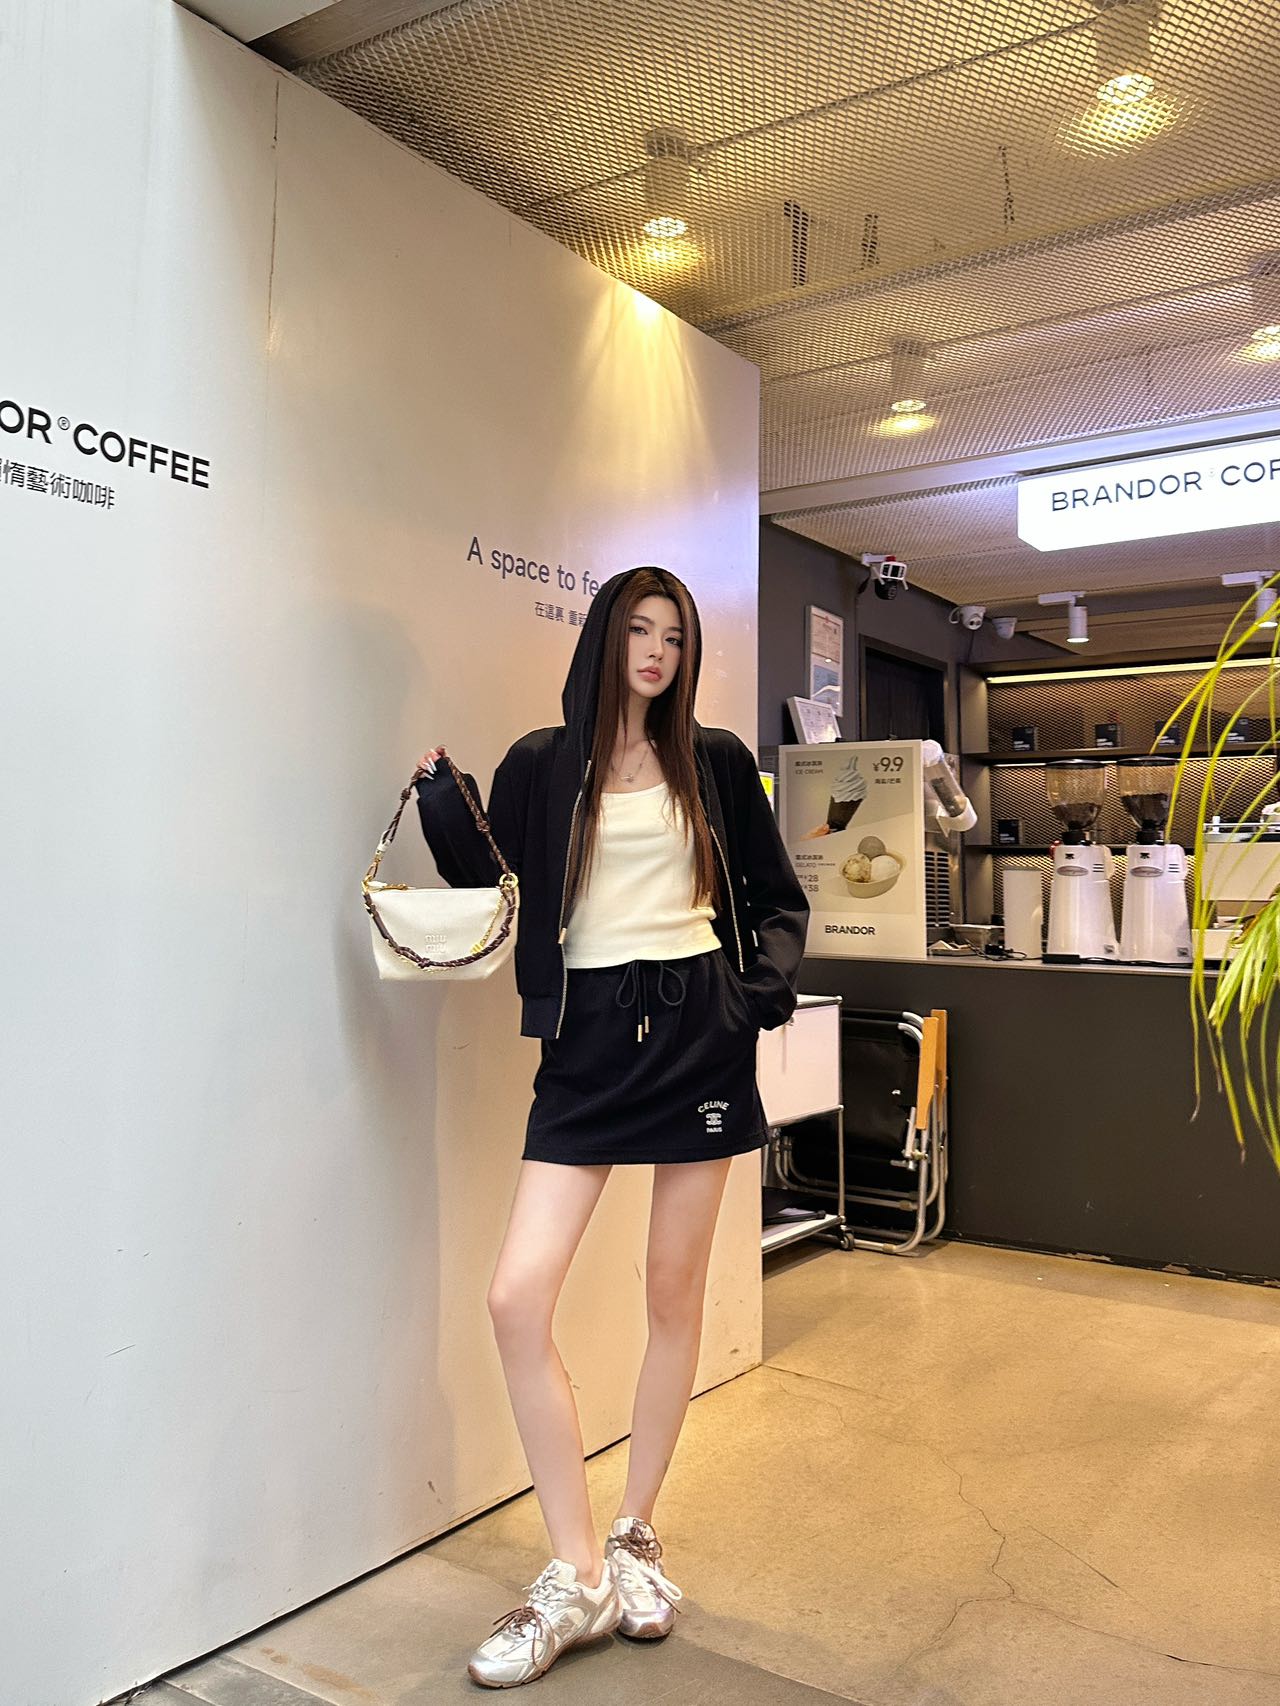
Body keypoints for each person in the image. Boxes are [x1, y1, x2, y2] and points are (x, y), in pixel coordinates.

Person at [413, 565, 809, 1688]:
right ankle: (576, 1570)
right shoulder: (543, 763)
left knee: (672, 1294)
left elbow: (777, 898)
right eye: (638, 630)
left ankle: (633, 1534)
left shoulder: (714, 761)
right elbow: (495, 879)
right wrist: (444, 802)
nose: (655, 651)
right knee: (515, 1296)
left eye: (673, 636)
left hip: (697, 1036)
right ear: (603, 637)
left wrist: (754, 998)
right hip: (585, 1043)